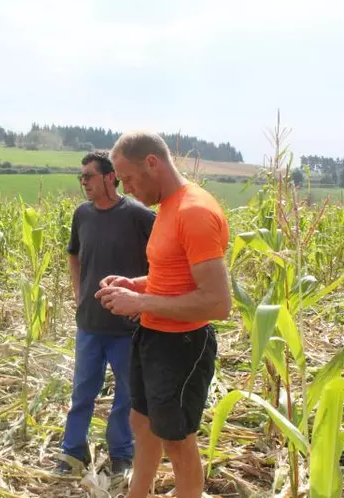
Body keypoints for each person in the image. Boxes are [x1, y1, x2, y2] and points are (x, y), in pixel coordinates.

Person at [95, 131, 231, 498]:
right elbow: (170, 278)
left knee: (177, 440)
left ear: (152, 162)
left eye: (129, 179)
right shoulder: (169, 208)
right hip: (154, 336)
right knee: (141, 421)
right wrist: (136, 284)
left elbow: (217, 303)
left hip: (182, 345)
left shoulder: (195, 212)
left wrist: (138, 303)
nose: (126, 188)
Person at [58, 151, 155, 476]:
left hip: (127, 326)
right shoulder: (82, 215)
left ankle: (121, 454)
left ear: (110, 177)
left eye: (89, 176)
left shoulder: (139, 215)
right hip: (90, 323)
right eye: (81, 177)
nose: (83, 181)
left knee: (127, 395)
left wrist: (145, 299)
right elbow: (74, 255)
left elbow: (163, 260)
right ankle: (73, 453)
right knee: (82, 391)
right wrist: (78, 290)